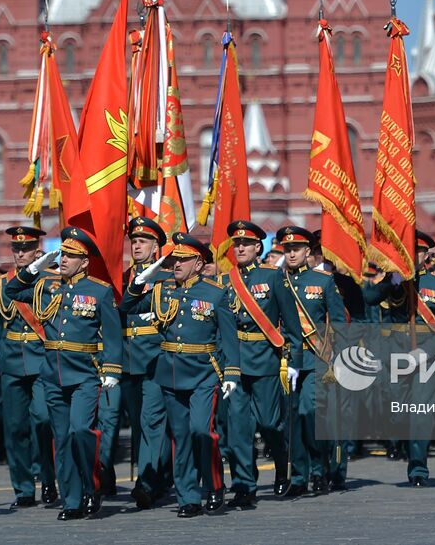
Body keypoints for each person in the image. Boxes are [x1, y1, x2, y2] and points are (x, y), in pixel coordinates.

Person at [7, 226, 121, 520]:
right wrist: (34, 268)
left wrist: (111, 368)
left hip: (84, 373)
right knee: (62, 438)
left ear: (84, 262)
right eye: (64, 254)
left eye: (72, 256)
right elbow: (12, 290)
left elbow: (111, 333)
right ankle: (71, 500)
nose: (65, 259)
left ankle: (91, 485)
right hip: (52, 373)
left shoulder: (99, 290)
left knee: (81, 430)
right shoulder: (47, 286)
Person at [122, 231, 238, 518]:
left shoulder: (215, 293)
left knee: (202, 431)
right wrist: (139, 283)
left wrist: (232, 373)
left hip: (203, 372)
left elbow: (229, 337)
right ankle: (188, 496)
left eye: (183, 260)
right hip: (171, 371)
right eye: (174, 259)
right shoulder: (162, 289)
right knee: (181, 437)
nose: (176, 264)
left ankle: (213, 486)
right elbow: (127, 306)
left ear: (198, 264)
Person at [221, 220, 303, 508]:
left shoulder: (272, 277)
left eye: (246, 244)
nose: (240, 248)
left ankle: (281, 464)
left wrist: (293, 361)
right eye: (236, 244)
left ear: (258, 248)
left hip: (267, 359)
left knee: (269, 423)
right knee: (238, 429)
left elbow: (292, 325)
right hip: (234, 363)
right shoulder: (224, 280)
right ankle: (244, 485)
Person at [0, 225, 59, 509]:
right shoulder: (1, 283)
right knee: (15, 427)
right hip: (12, 359)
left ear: (37, 250)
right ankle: (23, 489)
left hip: (43, 357)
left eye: (26, 248)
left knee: (43, 419)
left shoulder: (51, 280)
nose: (20, 253)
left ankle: (50, 477)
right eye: (16, 248)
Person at [103, 216, 169, 510]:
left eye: (143, 241)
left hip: (156, 358)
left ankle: (146, 482)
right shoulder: (122, 279)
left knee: (152, 423)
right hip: (128, 361)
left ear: (156, 247)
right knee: (139, 425)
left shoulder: (166, 279)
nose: (137, 245)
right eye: (134, 240)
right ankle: (154, 476)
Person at [278, 225, 348, 495]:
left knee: (310, 414)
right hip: (286, 361)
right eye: (287, 249)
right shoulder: (277, 280)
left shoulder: (323, 281)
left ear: (308, 252)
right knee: (291, 420)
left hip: (317, 357)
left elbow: (339, 322)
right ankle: (298, 476)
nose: (291, 253)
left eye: (296, 249)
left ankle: (319, 469)